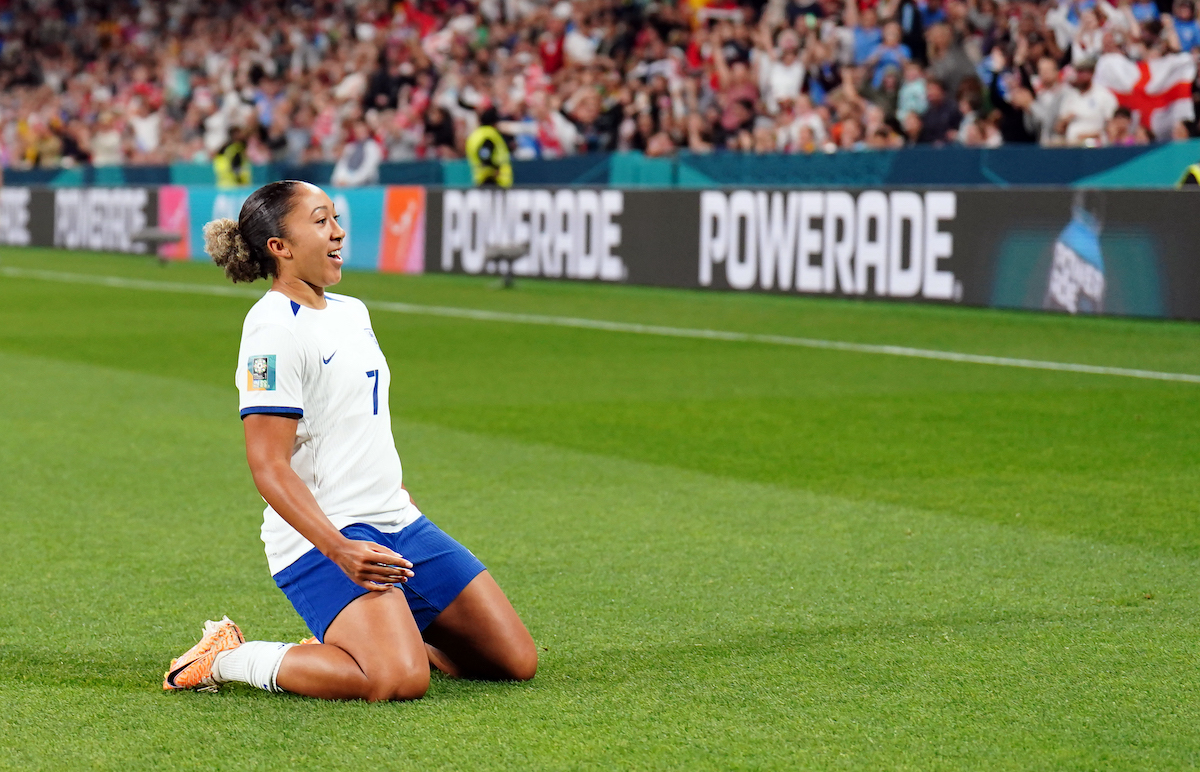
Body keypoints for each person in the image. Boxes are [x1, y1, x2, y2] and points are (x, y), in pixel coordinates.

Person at [163, 181, 537, 700]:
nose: (338, 232)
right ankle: (227, 657)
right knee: (397, 680)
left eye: (335, 218)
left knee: (512, 661)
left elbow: (362, 425)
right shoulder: (271, 331)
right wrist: (338, 548)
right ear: (280, 247)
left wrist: (403, 507)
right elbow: (268, 466)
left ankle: (367, 639)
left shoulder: (351, 311)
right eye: (320, 221)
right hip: (326, 536)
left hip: (396, 520)